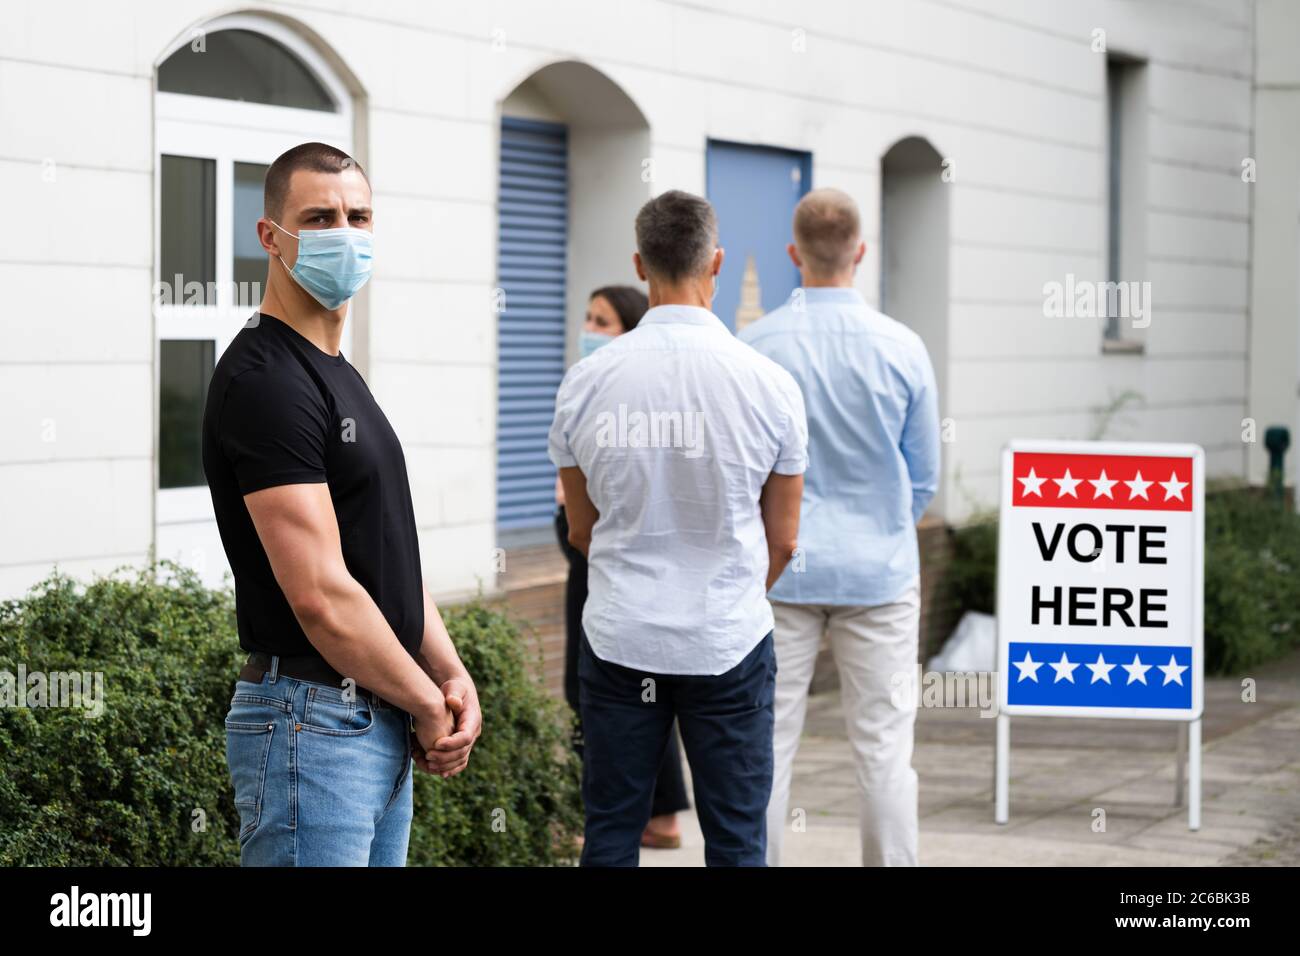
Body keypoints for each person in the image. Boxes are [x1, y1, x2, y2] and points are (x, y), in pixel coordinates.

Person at [201, 142, 481, 866]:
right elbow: (321, 593)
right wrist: (425, 702)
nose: (345, 233)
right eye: (319, 217)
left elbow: (380, 553)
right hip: (311, 724)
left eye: (358, 215)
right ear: (271, 236)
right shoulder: (266, 381)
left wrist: (447, 673)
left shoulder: (335, 374)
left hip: (364, 719)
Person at [549, 190, 808, 866]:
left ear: (640, 264)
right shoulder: (770, 384)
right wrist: (735, 584)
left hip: (619, 636)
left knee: (609, 831)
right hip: (728, 638)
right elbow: (783, 539)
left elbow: (581, 529)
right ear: (716, 262)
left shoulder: (585, 382)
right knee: (735, 840)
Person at [740, 187, 940, 867]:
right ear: (860, 250)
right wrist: (883, 526)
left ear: (793, 254)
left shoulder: (756, 343)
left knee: (765, 742)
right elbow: (924, 476)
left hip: (777, 576)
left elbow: (742, 468)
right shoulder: (904, 348)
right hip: (880, 575)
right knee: (886, 749)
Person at [553, 285, 691, 850]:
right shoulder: (595, 387)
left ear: (630, 329)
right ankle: (655, 814)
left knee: (604, 689)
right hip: (598, 561)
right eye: (587, 316)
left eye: (602, 320)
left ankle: (629, 815)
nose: (588, 328)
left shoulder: (605, 393)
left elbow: (586, 521)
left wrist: (579, 532)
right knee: (641, 691)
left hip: (604, 568)